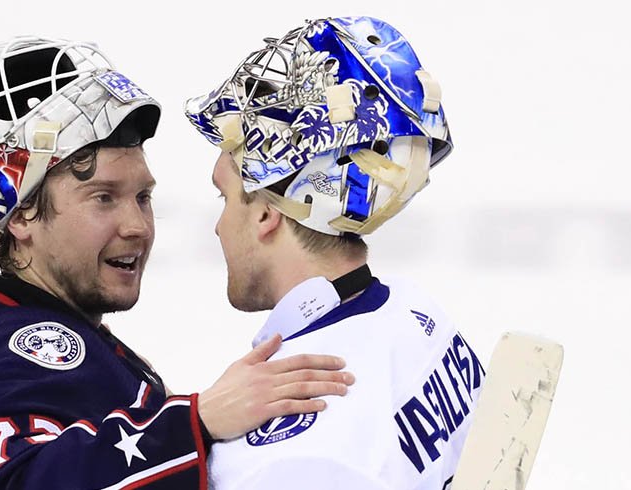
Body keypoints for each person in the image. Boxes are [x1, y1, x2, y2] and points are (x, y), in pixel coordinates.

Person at [0, 36, 355, 490]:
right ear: (19, 215)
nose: (138, 226)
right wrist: (195, 422)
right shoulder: (33, 355)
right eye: (103, 198)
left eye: (142, 196)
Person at [184, 17, 486, 489]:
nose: (219, 227)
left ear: (267, 214)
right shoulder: (420, 317)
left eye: (225, 198)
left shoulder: (279, 458)